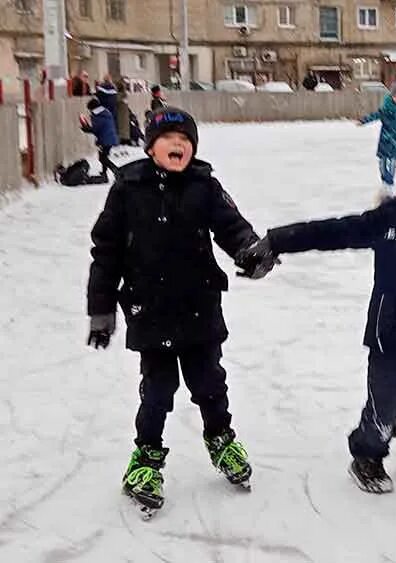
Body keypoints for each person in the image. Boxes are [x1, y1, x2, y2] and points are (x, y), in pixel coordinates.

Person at [236, 117, 396, 494]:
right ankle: (366, 457)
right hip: (394, 334)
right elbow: (333, 231)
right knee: (383, 412)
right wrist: (276, 241)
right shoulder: (390, 221)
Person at [86, 108, 276, 516]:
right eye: (169, 138)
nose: (179, 144)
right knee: (158, 389)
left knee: (209, 381)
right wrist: (100, 308)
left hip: (198, 305)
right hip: (149, 308)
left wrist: (250, 250)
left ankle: (221, 439)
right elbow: (106, 252)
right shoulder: (127, 187)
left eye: (186, 139)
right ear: (150, 146)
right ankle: (146, 459)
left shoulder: (204, 185)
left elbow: (232, 226)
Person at [358, 83, 396, 200]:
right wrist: (363, 121)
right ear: (392, 96)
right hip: (385, 139)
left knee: (392, 163)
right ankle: (385, 181)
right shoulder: (386, 109)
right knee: (382, 163)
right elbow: (375, 115)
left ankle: (389, 183)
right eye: (395, 96)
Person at [79, 98, 119, 182]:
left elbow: (96, 129)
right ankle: (104, 173)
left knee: (103, 158)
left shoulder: (97, 116)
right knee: (103, 156)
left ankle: (117, 171)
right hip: (110, 138)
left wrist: (86, 128)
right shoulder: (105, 112)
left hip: (106, 139)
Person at [116, 81, 132, 147]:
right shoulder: (124, 95)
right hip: (123, 114)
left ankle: (124, 140)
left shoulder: (119, 95)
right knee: (124, 128)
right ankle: (125, 139)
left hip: (121, 114)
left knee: (122, 127)